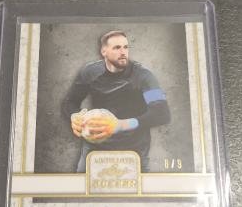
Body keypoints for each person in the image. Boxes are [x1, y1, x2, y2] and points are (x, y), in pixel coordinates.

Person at [61, 30, 170, 172]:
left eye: (126, 47)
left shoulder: (143, 76)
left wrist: (119, 125)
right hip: (94, 148)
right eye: (117, 47)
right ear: (104, 51)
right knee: (82, 186)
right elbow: (70, 102)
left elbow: (161, 113)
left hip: (133, 150)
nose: (123, 52)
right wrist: (74, 116)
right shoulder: (89, 72)